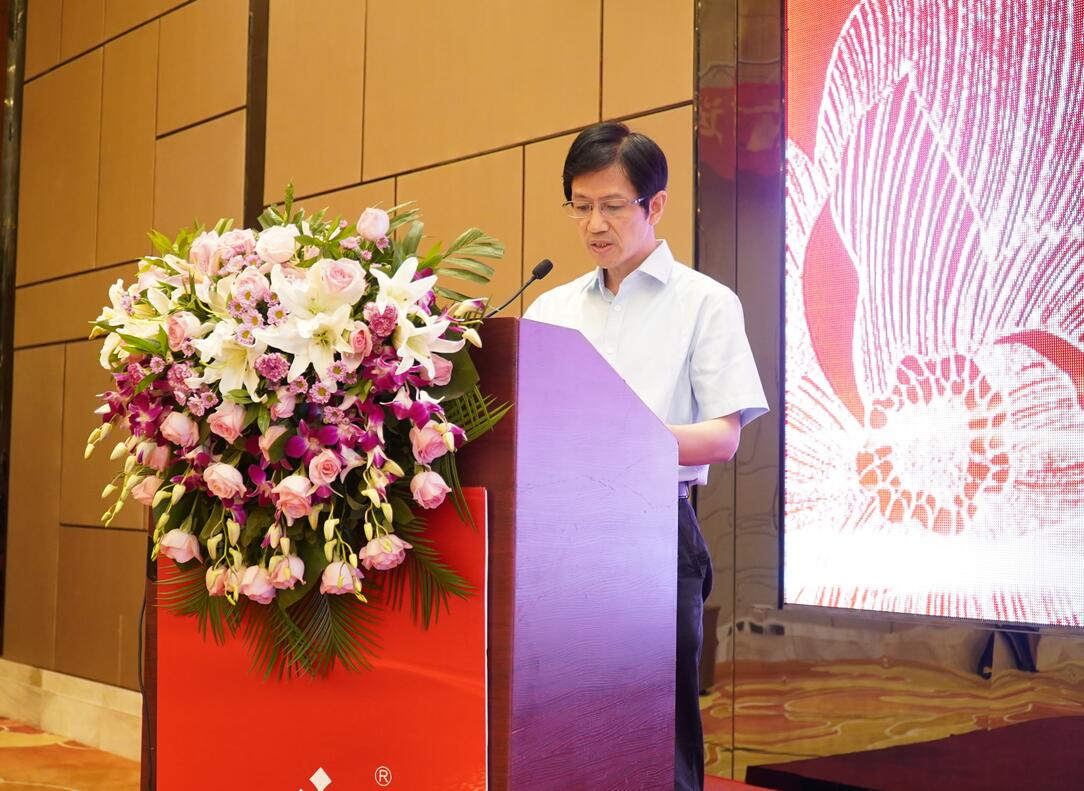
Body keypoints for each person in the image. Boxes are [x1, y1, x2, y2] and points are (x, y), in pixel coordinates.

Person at [522, 121, 768, 791]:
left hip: (653, 531)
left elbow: (722, 435)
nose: (594, 224)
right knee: (564, 722)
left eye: (612, 205)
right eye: (580, 205)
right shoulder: (550, 308)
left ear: (655, 204)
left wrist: (622, 438)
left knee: (657, 728)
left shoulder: (705, 302)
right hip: (555, 539)